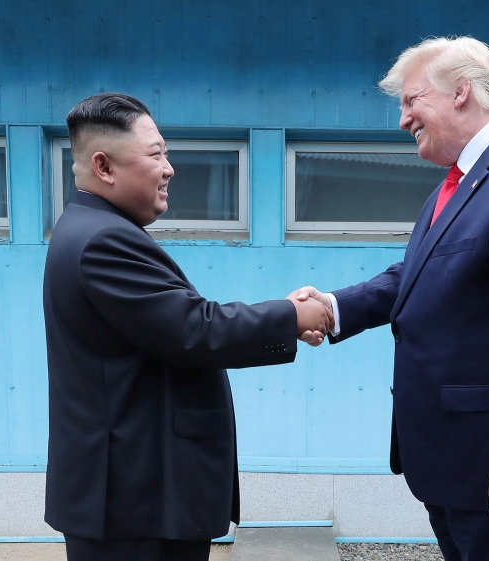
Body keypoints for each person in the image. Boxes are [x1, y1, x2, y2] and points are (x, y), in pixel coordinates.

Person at [295, 37, 489, 561]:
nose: (403, 119)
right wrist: (335, 307)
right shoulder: (462, 180)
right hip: (457, 464)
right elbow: (417, 275)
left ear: (460, 93)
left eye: (410, 101)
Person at [43, 93, 332, 561]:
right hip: (135, 503)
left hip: (132, 498)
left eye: (166, 153)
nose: (169, 168)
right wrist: (290, 316)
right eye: (155, 154)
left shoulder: (90, 229)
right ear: (104, 166)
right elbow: (195, 330)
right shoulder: (104, 241)